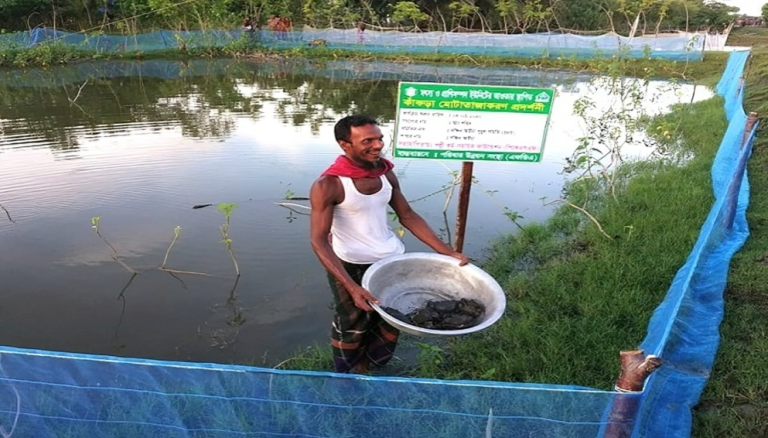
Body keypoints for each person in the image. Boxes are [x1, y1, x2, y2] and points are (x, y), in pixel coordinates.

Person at [309, 115, 469, 374]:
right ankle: (349, 373)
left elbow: (408, 215)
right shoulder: (329, 185)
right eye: (367, 141)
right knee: (352, 321)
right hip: (351, 264)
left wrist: (447, 252)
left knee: (390, 315)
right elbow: (318, 240)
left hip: (390, 258)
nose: (378, 145)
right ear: (344, 144)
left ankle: (375, 364)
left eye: (379, 138)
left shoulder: (385, 173)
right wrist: (351, 287)